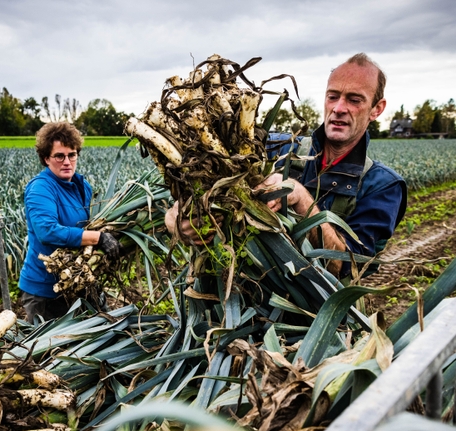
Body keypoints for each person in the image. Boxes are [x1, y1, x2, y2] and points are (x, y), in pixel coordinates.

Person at [165, 53, 407, 279]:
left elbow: (348, 266)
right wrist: (177, 218)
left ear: (377, 109)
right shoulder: (276, 147)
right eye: (333, 96)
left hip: (313, 320)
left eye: (354, 100)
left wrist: (301, 199)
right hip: (233, 307)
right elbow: (207, 181)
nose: (338, 108)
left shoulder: (383, 186)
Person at [18, 122, 121, 323]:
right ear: (46, 158)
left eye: (72, 155)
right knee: (54, 352)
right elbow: (47, 232)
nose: (67, 161)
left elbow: (89, 224)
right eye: (59, 156)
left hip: (79, 280)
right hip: (47, 291)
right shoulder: (41, 188)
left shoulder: (82, 186)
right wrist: (98, 238)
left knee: (99, 338)